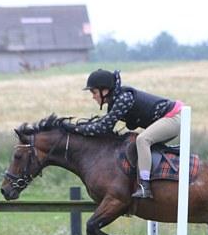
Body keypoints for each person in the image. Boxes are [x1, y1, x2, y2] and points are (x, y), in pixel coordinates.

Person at [68, 69, 183, 199]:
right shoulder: (116, 101)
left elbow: (103, 127)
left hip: (174, 117)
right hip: (169, 118)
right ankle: (171, 152)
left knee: (143, 140)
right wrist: (79, 127)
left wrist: (75, 129)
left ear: (105, 90)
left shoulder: (123, 99)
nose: (93, 96)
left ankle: (144, 186)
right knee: (141, 141)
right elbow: (103, 123)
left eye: (94, 92)